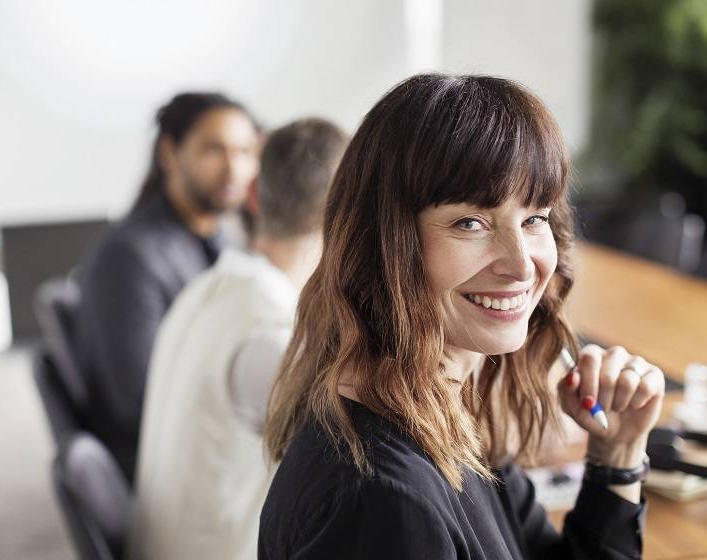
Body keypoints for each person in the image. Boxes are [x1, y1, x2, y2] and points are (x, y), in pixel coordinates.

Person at [260, 74, 665, 559]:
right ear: (384, 245)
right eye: (470, 223)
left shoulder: (444, 413)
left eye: (534, 218)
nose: (521, 264)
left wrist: (617, 456)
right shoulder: (384, 501)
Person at [127, 117, 348, 560]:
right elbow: (353, 464)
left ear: (252, 193)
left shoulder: (209, 287)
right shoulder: (274, 332)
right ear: (346, 215)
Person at [75, 93, 261, 482]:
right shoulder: (129, 256)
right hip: (168, 467)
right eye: (214, 150)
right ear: (169, 153)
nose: (234, 169)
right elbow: (134, 403)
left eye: (245, 151)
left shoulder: (221, 243)